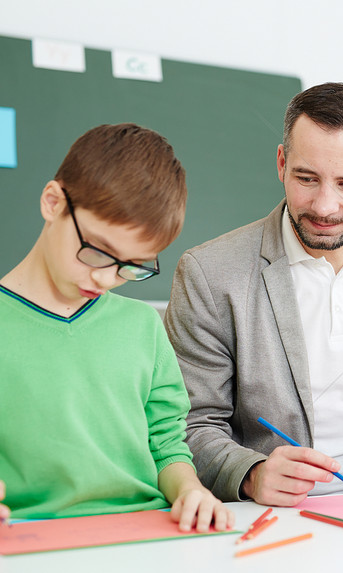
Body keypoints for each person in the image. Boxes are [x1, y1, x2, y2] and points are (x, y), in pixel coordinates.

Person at [164, 82, 343, 507]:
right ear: (281, 163)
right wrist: (250, 474)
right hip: (269, 516)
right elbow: (190, 423)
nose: (324, 206)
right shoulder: (209, 274)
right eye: (307, 178)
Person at [0, 123, 233, 531]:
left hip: (148, 532)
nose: (107, 279)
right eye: (96, 251)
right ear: (53, 203)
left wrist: (191, 491)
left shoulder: (143, 326)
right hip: (29, 537)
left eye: (132, 266)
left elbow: (166, 445)